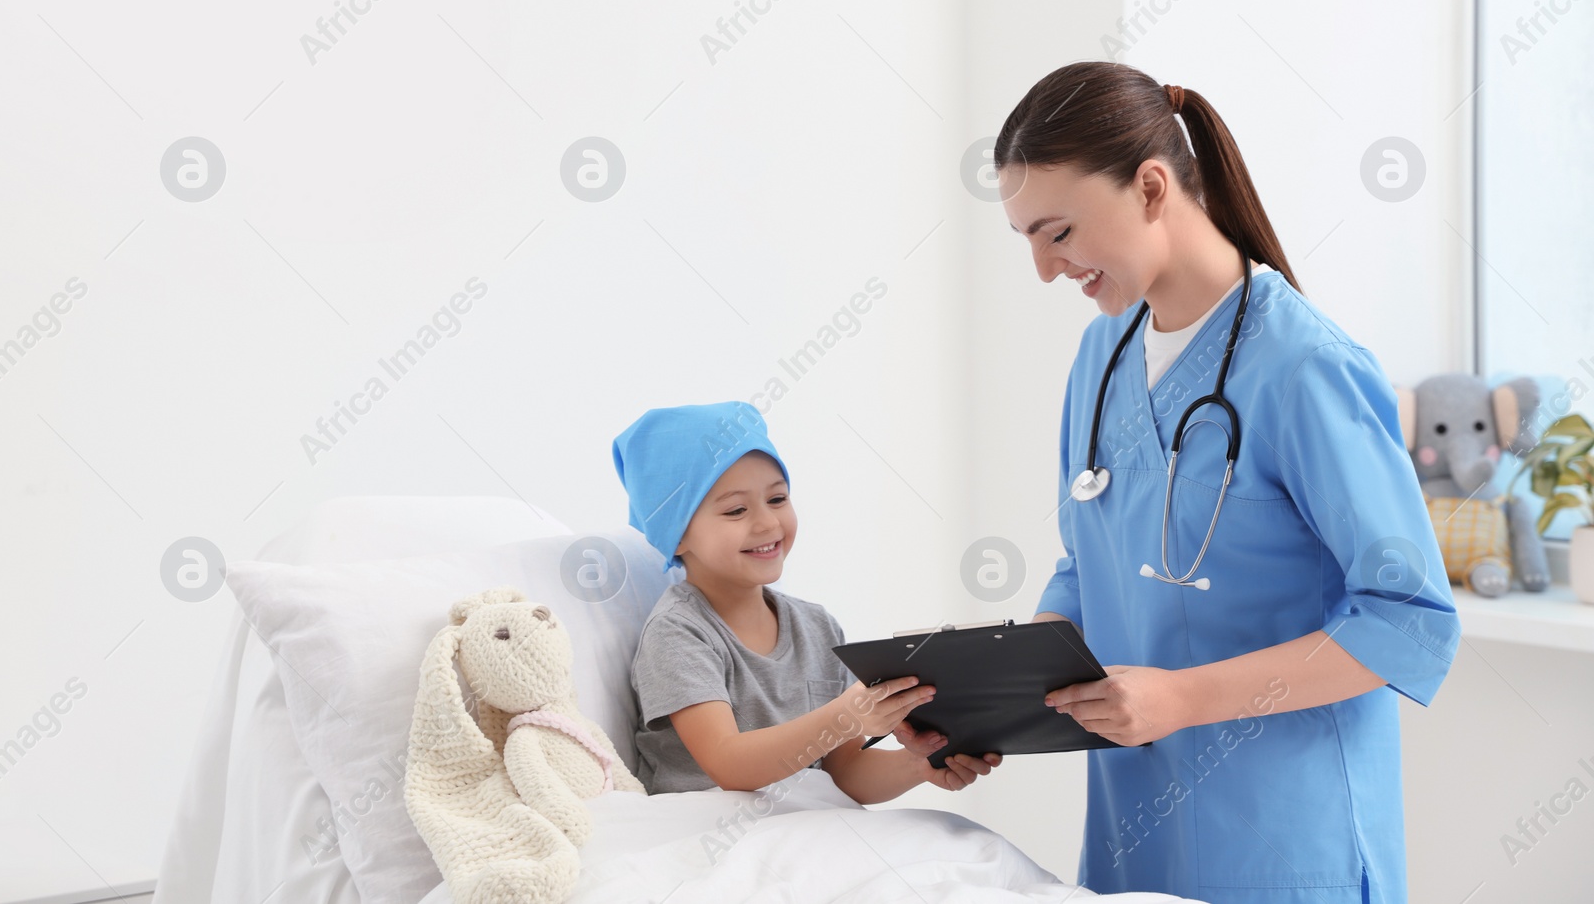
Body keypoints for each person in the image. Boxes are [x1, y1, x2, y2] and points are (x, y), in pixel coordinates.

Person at [984, 61, 1460, 903]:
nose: (1045, 268)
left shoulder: (1305, 368)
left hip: (1285, 839)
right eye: (1026, 237)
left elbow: (1410, 622)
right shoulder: (1102, 357)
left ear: (1151, 187)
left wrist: (1181, 698)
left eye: (1057, 232)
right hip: (1140, 836)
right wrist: (996, 696)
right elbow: (1087, 561)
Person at [613, 400, 1001, 802]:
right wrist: (845, 717)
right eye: (736, 510)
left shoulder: (816, 627)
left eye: (777, 499)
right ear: (675, 535)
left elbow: (846, 773)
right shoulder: (678, 633)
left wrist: (921, 765)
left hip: (801, 827)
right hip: (706, 828)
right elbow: (728, 764)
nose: (767, 523)